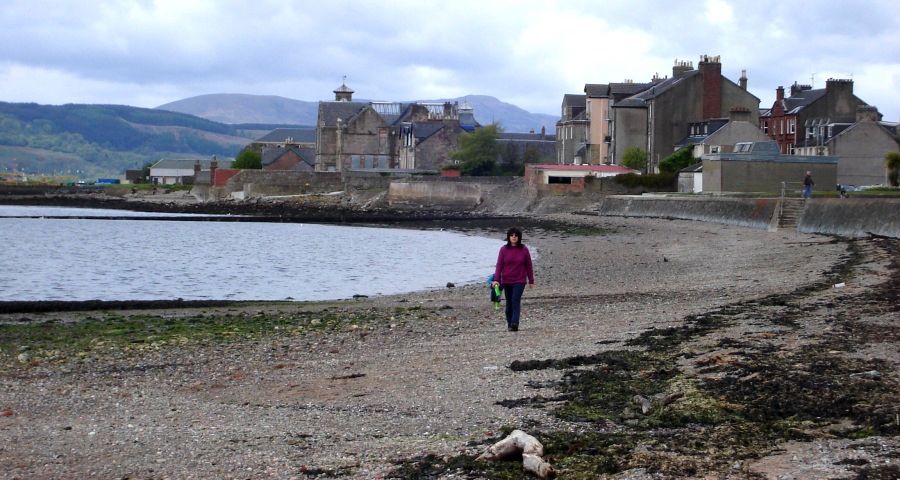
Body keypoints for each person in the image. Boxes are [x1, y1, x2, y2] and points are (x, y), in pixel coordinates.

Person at [491, 227, 535, 332]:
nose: (514, 237)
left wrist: (531, 280)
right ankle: (510, 323)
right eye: (512, 235)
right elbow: (499, 265)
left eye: (516, 235)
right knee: (509, 303)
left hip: (520, 280)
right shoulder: (503, 250)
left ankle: (515, 323)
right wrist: (496, 279)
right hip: (506, 280)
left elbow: (529, 265)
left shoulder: (524, 249)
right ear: (508, 237)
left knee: (515, 300)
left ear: (519, 237)